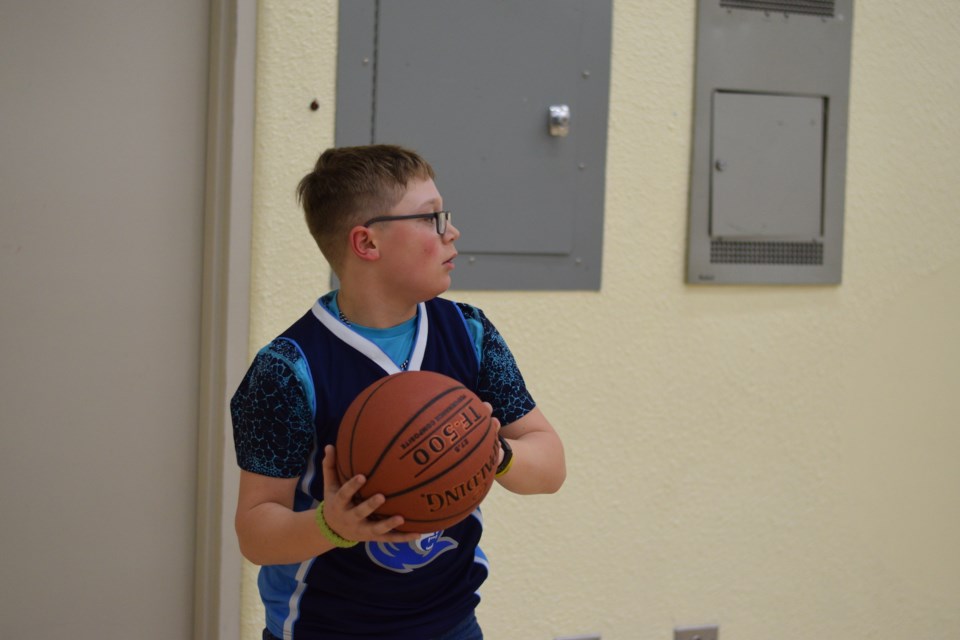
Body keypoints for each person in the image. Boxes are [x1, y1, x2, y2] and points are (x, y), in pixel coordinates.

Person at [231, 144, 566, 640]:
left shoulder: (470, 334)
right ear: (367, 243)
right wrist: (331, 525)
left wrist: (492, 454)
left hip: (452, 623)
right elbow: (256, 531)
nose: (452, 231)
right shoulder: (287, 369)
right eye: (432, 218)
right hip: (325, 629)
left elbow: (551, 465)